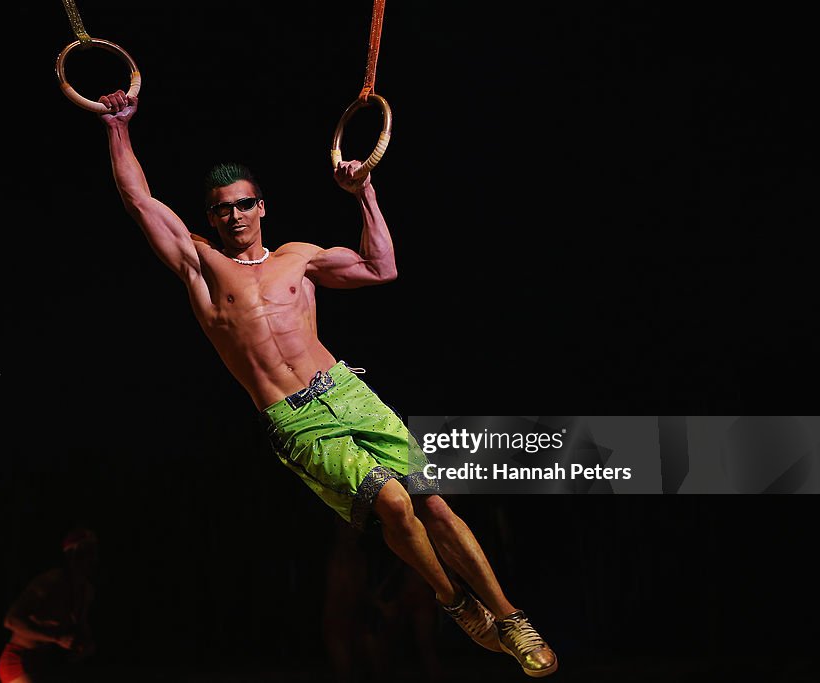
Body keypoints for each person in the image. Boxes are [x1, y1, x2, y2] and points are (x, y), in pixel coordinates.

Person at [95, 89, 557, 678]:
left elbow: (381, 267)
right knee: (392, 502)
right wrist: (118, 127)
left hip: (344, 389)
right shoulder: (198, 262)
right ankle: (456, 602)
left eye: (242, 204)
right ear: (209, 216)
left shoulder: (300, 258)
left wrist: (364, 191)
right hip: (294, 417)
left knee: (434, 504)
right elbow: (138, 198)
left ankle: (511, 618)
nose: (232, 215)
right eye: (220, 209)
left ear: (262, 206)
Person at [0, 528, 98, 683]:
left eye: (93, 551)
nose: (92, 558)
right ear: (72, 555)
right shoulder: (52, 581)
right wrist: (57, 638)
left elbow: (82, 628)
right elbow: (10, 620)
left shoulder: (87, 591)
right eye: (86, 551)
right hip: (19, 660)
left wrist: (87, 646)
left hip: (44, 665)